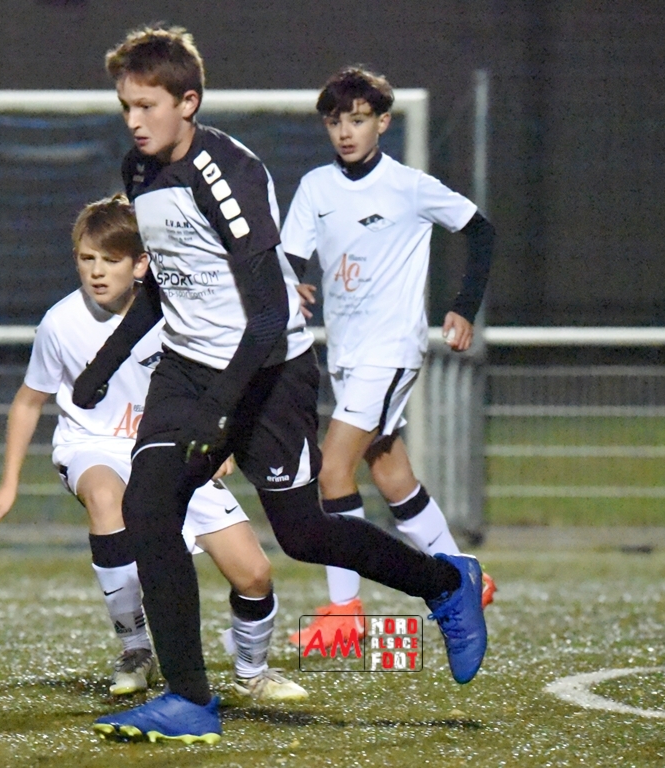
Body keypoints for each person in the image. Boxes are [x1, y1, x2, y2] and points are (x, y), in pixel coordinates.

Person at [79, 26, 488, 745]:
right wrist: (105, 362)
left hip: (269, 371)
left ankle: (446, 584)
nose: (135, 121)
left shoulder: (227, 173)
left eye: (147, 106)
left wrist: (218, 410)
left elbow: (270, 313)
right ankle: (189, 699)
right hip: (188, 367)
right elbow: (166, 287)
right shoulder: (138, 171)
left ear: (188, 102)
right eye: (126, 107)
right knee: (148, 507)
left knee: (302, 534)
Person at [0, 194, 307, 704]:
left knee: (254, 573)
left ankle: (252, 672)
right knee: (106, 497)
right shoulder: (60, 323)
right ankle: (135, 649)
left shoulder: (178, 314)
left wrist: (222, 439)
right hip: (92, 445)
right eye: (87, 259)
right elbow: (28, 401)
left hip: (165, 446)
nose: (97, 272)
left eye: (111, 260)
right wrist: (8, 485)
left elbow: (219, 378)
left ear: (141, 264)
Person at [281, 66, 499, 652]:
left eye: (357, 120)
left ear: (382, 122)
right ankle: (467, 577)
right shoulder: (316, 188)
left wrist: (463, 307)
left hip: (390, 349)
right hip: (347, 353)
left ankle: (345, 609)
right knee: (389, 471)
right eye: (335, 121)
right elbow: (289, 258)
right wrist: (291, 283)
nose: (345, 132)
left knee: (332, 470)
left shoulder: (408, 186)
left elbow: (481, 232)